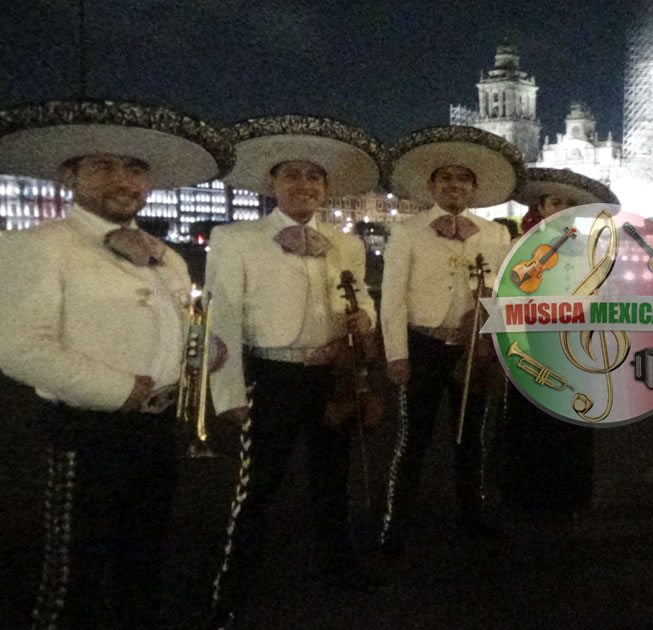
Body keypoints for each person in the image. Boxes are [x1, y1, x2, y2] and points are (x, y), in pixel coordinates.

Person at [0, 100, 231, 628]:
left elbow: (175, 325)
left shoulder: (165, 254)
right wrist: (119, 389)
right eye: (102, 166)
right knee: (72, 574)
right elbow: (18, 347)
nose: (122, 179)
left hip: (158, 430)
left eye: (135, 168)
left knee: (144, 563)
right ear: (70, 176)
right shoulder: (36, 246)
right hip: (87, 430)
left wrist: (203, 350)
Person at [204, 116, 384, 628]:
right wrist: (229, 391)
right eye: (293, 176)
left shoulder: (344, 243)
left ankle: (338, 565)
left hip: (332, 377)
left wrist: (364, 317)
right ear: (273, 184)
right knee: (257, 485)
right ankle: (232, 582)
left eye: (314, 178)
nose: (305, 185)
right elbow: (223, 317)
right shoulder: (235, 238)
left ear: (325, 188)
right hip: (272, 374)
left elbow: (362, 293)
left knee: (332, 479)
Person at [378, 126, 524, 546]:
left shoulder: (495, 233)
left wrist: (488, 330)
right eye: (446, 179)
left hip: (473, 347)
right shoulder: (407, 230)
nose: (454, 185)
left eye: (463, 180)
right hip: (423, 344)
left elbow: (504, 289)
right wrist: (396, 354)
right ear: (432, 185)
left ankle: (472, 516)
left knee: (470, 435)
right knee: (413, 438)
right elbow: (392, 297)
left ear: (473, 188)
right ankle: (395, 521)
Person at [503, 167, 618, 521]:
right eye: (555, 202)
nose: (562, 208)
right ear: (541, 206)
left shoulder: (591, 249)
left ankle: (569, 495)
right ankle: (527, 495)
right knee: (531, 422)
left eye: (570, 203)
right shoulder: (520, 246)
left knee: (573, 419)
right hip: (534, 344)